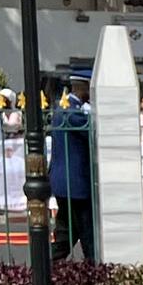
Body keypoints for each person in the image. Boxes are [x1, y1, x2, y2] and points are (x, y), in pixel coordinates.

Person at [48, 66, 96, 262]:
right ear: (83, 88)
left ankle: (48, 267)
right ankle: (94, 269)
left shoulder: (68, 110)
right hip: (75, 183)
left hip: (67, 183)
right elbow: (95, 135)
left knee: (67, 230)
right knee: (86, 231)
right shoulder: (72, 114)